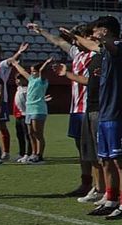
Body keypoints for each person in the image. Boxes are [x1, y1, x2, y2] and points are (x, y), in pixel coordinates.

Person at [67, 16, 122, 219]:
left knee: (121, 161)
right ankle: (111, 199)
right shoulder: (105, 52)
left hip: (118, 113)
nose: (93, 35)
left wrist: (99, 40)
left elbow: (110, 46)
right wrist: (74, 37)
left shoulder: (119, 46)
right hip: (105, 113)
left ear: (105, 31)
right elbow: (91, 44)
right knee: (106, 160)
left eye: (96, 30)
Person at [28, 21, 103, 200]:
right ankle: (86, 183)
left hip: (89, 107)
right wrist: (41, 31)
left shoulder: (95, 55)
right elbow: (59, 42)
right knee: (82, 149)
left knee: (94, 151)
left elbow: (92, 82)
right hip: (76, 109)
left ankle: (100, 187)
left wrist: (67, 74)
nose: (74, 43)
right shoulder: (77, 53)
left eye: (78, 38)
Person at [14, 59, 52, 162]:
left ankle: (39, 156)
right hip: (29, 110)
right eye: (31, 71)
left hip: (38, 109)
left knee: (38, 133)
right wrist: (15, 64)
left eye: (34, 71)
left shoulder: (42, 81)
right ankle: (33, 153)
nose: (32, 73)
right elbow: (22, 71)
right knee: (31, 133)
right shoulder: (31, 79)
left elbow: (42, 71)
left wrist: (46, 63)